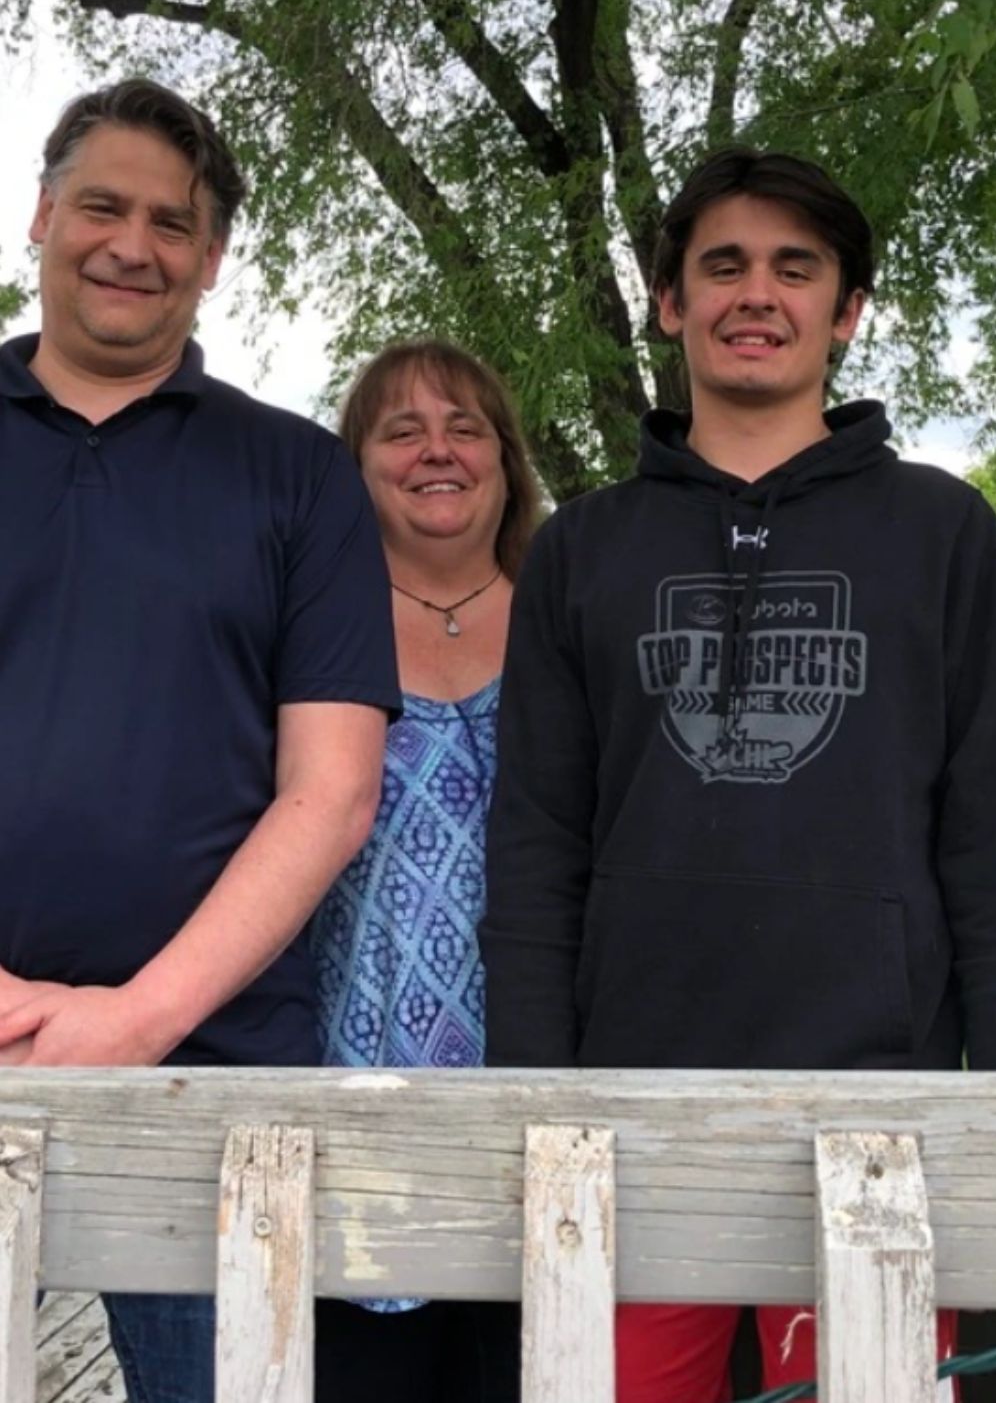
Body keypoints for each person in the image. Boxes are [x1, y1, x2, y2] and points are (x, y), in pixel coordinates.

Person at [480, 147, 996, 1401]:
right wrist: (539, 1106)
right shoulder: (582, 551)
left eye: (793, 267)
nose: (754, 293)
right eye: (721, 265)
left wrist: (986, 1110)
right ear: (670, 302)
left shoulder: (944, 536)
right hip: (630, 1113)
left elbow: (985, 837)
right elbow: (540, 843)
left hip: (882, 1114)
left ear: (846, 308)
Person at [0, 78, 400, 1402]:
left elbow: (333, 793)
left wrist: (133, 1019)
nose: (133, 244)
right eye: (101, 207)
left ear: (212, 259)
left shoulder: (298, 476)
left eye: (173, 223)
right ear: (43, 216)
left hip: (208, 1087)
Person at [310, 339, 539, 1403]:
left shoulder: (569, 613)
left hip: (549, 1101)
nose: (435, 450)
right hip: (353, 1101)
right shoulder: (308, 627)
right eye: (400, 430)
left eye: (463, 426)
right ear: (356, 466)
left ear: (505, 456)